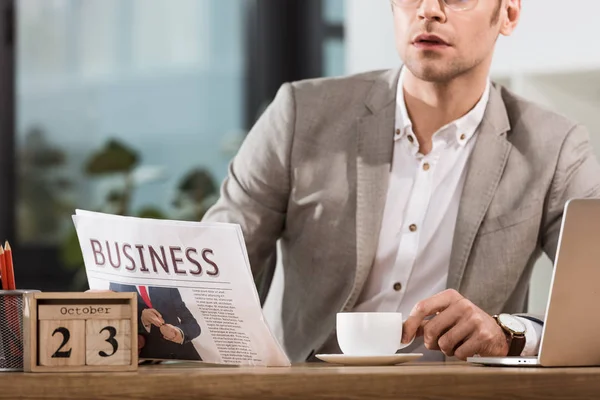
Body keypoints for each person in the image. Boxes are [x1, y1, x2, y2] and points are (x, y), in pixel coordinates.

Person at [202, 0, 600, 362]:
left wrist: (509, 334)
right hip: (305, 388)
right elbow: (209, 267)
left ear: (508, 15)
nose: (429, 10)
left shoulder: (554, 148)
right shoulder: (299, 115)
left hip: (455, 392)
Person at [110, 283, 202, 360]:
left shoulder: (164, 284)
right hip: (149, 362)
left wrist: (178, 332)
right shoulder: (118, 285)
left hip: (184, 357)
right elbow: (118, 325)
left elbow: (193, 325)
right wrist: (143, 321)